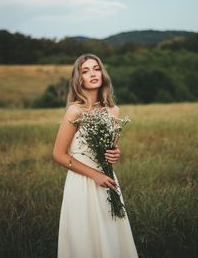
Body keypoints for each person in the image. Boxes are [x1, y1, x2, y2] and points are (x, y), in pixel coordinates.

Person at [53, 54, 138, 258]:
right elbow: (58, 154)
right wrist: (94, 174)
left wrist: (116, 154)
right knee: (85, 240)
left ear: (102, 73)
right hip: (82, 183)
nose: (92, 73)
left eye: (96, 68)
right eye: (85, 71)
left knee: (111, 237)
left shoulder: (114, 111)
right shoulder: (75, 111)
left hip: (108, 181)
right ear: (78, 79)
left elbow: (112, 149)